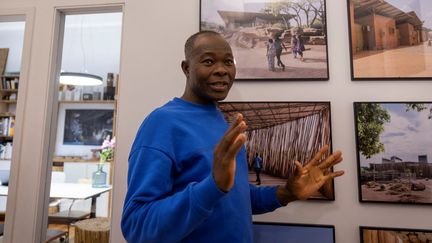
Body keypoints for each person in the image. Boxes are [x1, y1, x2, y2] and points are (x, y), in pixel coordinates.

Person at [121, 30, 344, 242]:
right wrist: (212, 186)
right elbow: (136, 225)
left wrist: (286, 192)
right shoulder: (162, 123)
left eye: (228, 62)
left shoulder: (221, 121)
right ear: (186, 68)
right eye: (209, 61)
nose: (222, 70)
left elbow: (235, 197)